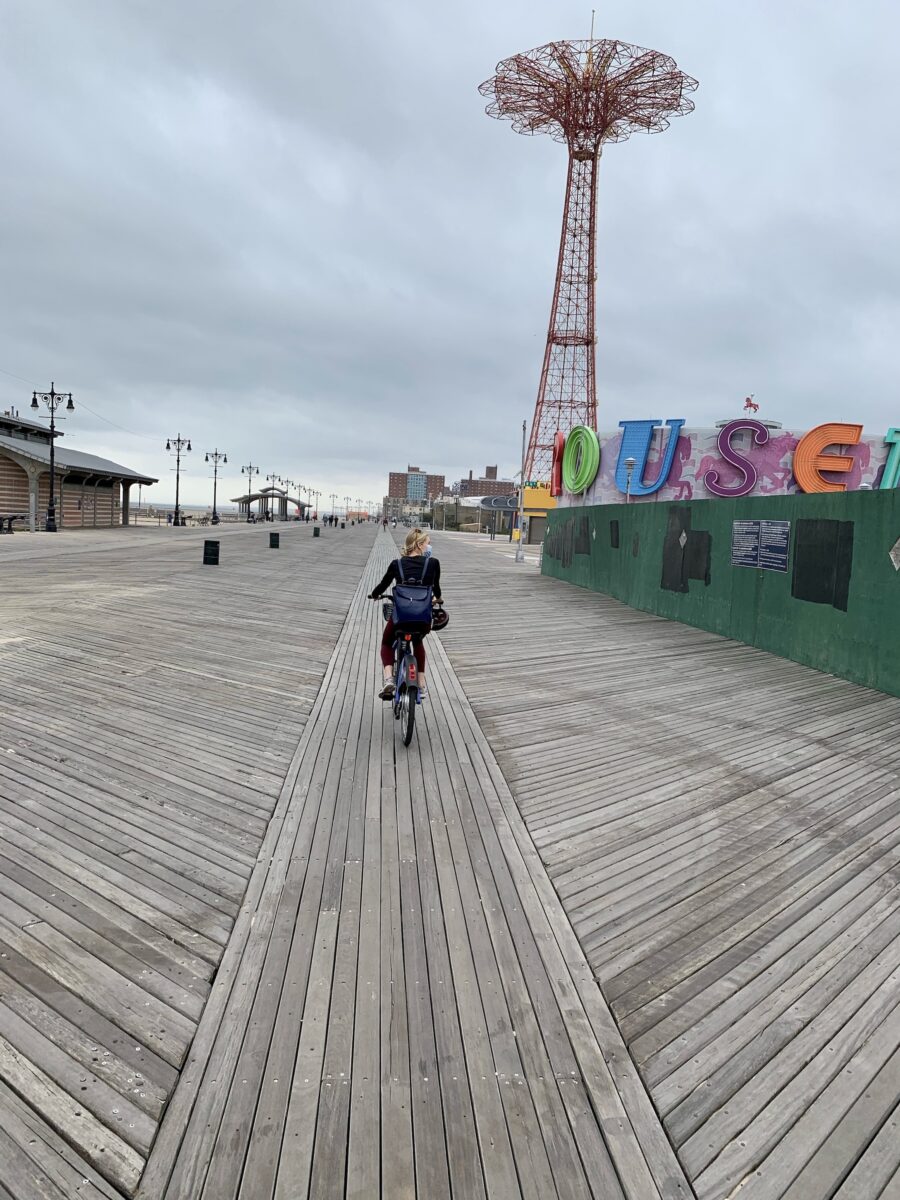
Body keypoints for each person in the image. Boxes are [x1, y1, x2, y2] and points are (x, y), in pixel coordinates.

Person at [368, 528, 441, 701]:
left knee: (386, 642)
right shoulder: (433, 563)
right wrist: (438, 599)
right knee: (418, 642)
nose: (429, 546)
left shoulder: (397, 564)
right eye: (428, 543)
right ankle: (421, 684)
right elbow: (436, 589)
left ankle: (388, 679)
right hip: (422, 619)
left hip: (401, 618)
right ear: (419, 544)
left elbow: (383, 584)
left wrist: (375, 595)